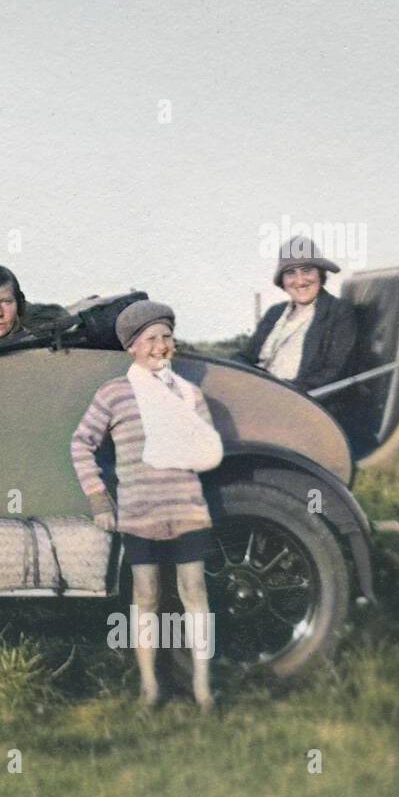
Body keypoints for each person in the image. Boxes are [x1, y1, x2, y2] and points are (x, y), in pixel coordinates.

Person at [71, 301, 223, 712]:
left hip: (186, 508)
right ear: (132, 348)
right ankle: (150, 687)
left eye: (166, 337)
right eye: (150, 339)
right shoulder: (114, 394)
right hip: (139, 513)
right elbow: (81, 443)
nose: (160, 346)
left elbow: (208, 450)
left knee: (194, 592)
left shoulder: (189, 395)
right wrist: (99, 499)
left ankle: (203, 689)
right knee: (146, 594)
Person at [237, 235, 358, 393]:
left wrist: (286, 392)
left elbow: (334, 371)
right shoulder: (275, 312)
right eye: (290, 273)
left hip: (299, 401)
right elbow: (245, 357)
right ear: (283, 280)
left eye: (306, 270)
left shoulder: (339, 311)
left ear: (320, 274)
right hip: (256, 392)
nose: (300, 281)